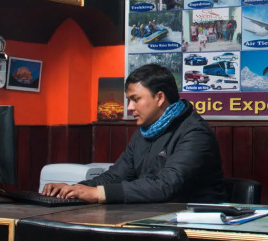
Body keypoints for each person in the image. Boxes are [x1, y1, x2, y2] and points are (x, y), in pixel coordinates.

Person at [42, 64, 226, 204]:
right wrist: (75, 189)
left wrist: (98, 194)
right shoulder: (145, 131)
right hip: (154, 218)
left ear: (159, 98)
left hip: (195, 227)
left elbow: (166, 185)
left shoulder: (195, 133)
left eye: (135, 99)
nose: (130, 107)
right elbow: (116, 175)